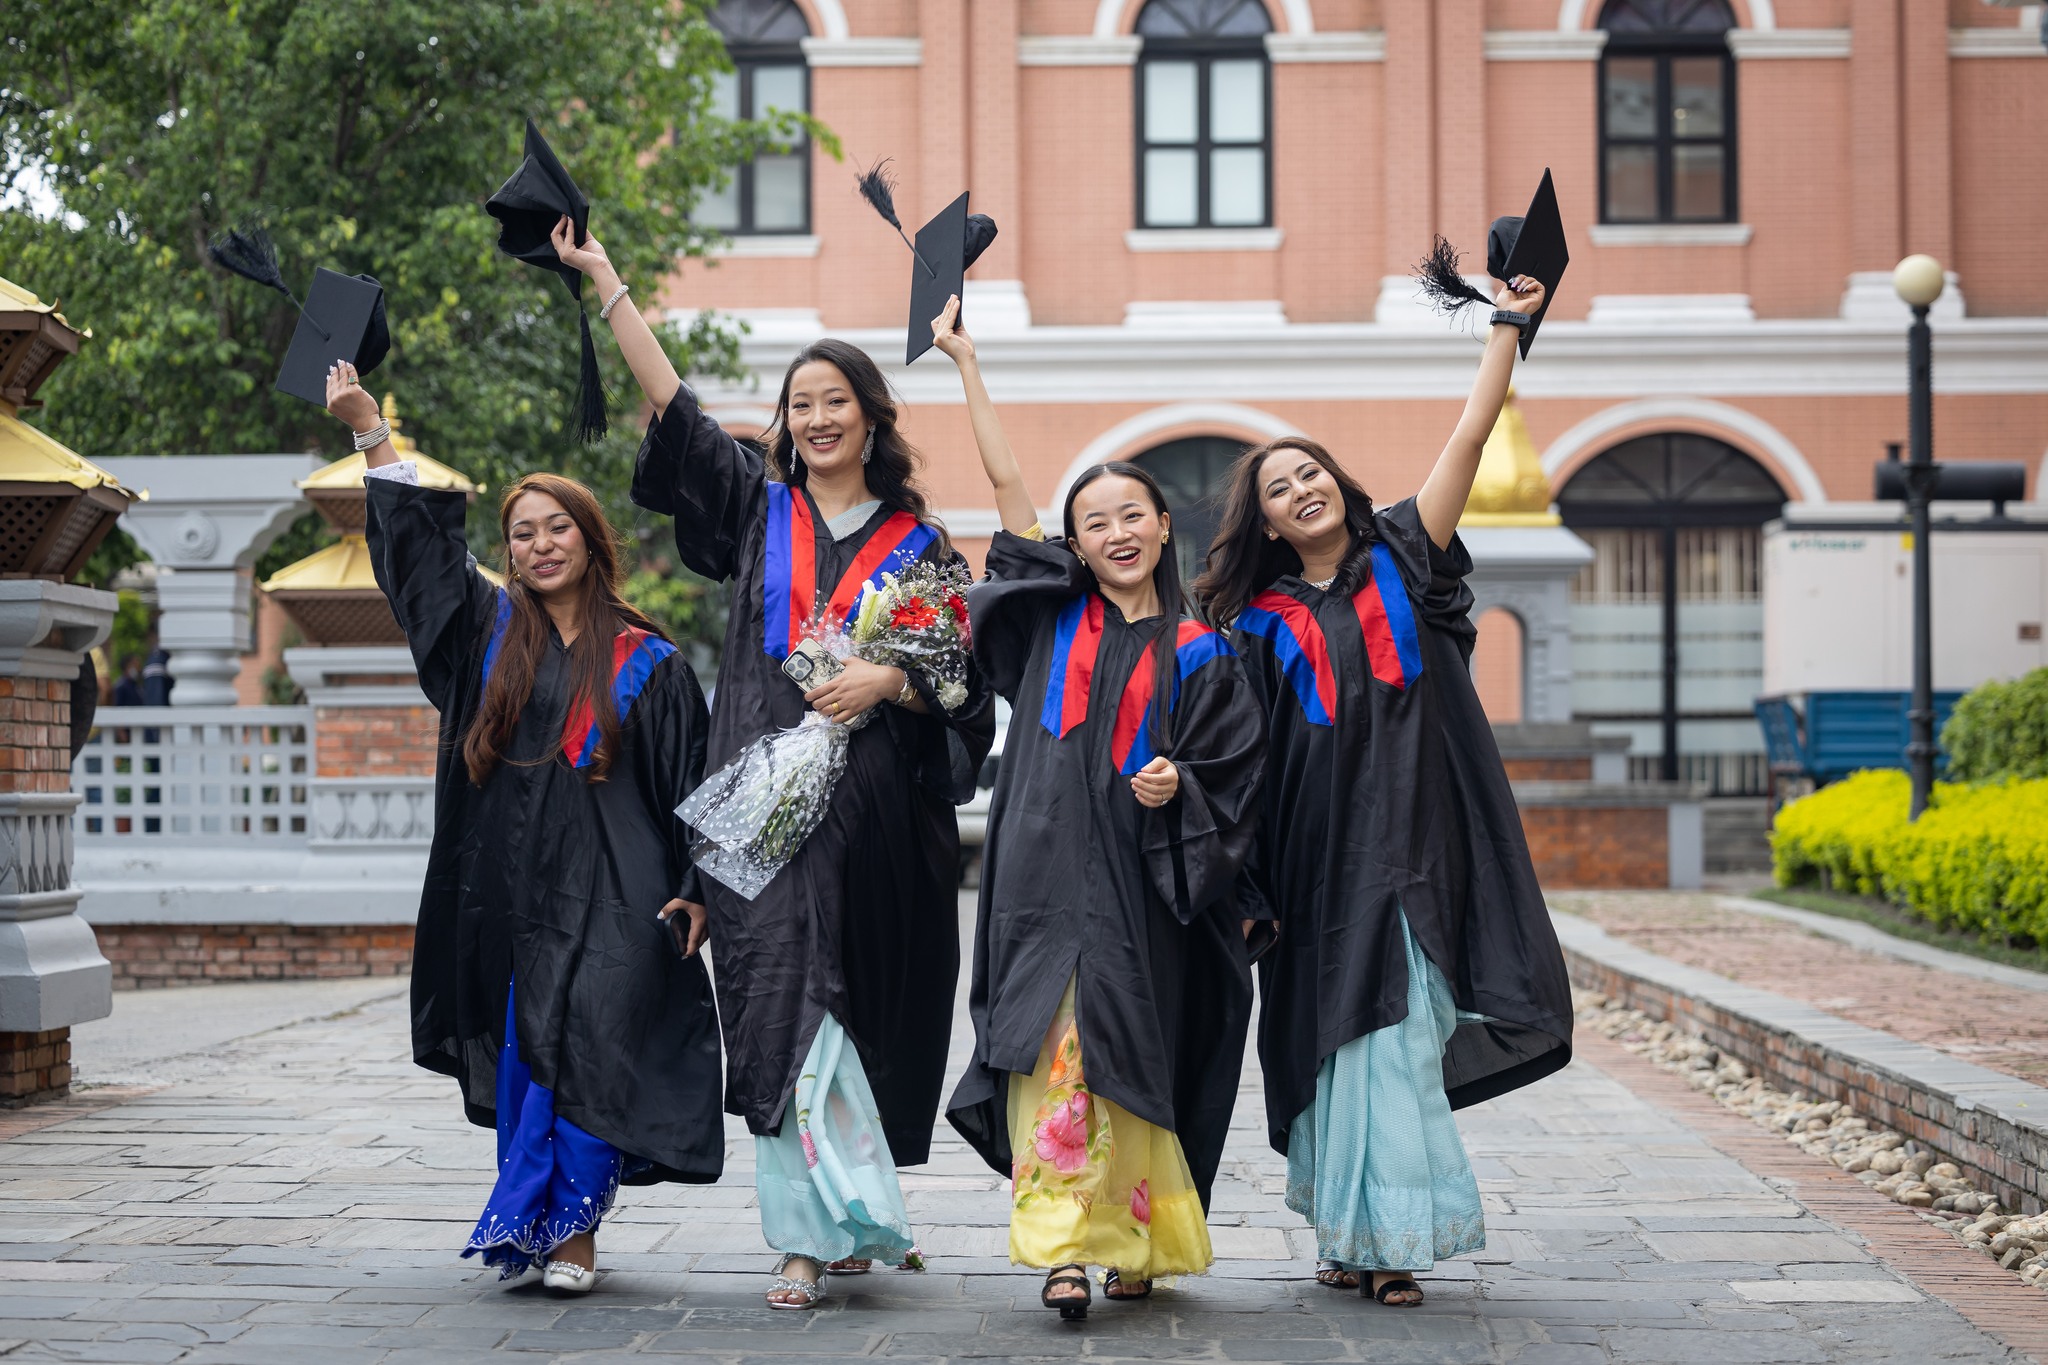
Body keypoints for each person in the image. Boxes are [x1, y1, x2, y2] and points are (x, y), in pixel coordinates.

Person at [556, 220, 997, 1310]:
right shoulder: (759, 509)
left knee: (855, 1005)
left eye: (835, 400)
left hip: (877, 817)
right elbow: (675, 408)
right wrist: (609, 282)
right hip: (760, 812)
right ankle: (805, 1238)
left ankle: (847, 1216)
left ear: (869, 417)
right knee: (778, 1003)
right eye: (800, 404)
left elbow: (961, 691)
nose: (817, 418)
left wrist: (888, 682)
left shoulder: (921, 545)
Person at [1192, 275, 1573, 1308]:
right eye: (1279, 490)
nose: (1300, 490)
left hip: (1418, 850)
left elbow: (1470, 435)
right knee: (1329, 1047)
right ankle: (1345, 1229)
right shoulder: (1252, 626)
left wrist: (1507, 328)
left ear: (1337, 481)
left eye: (1309, 472)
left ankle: (1391, 1240)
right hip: (1313, 869)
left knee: (1397, 1038)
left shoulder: (1406, 554)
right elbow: (1238, 762)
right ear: (1267, 523)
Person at [324, 358, 725, 1294]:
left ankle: (573, 1233)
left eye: (558, 527)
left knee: (595, 1043)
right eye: (522, 533)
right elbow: (421, 564)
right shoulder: (489, 635)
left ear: (591, 538)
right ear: (508, 552)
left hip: (624, 893)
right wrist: (371, 431)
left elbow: (693, 785)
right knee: (531, 1055)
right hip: (513, 888)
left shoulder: (652, 661)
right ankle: (539, 1224)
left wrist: (698, 890)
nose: (541, 545)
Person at [931, 298, 1267, 1319]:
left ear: (1164, 527)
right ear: (1073, 543)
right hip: (1038, 882)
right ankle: (1063, 1249)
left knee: (1127, 1054)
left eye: (1132, 515)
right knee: (1055, 1052)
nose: (1116, 532)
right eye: (1094, 522)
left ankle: (1133, 1240)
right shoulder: (1048, 622)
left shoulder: (1204, 652)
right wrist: (967, 366)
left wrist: (1180, 787)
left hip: (1141, 892)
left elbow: (1231, 777)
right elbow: (1007, 495)